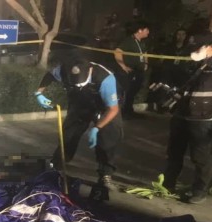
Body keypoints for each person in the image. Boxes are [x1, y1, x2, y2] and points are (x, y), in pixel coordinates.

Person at [163, 30, 212, 204]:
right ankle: (168, 184)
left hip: (203, 119)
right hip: (181, 115)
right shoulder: (191, 63)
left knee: (200, 157)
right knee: (174, 153)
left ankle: (199, 190)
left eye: (197, 48)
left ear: (209, 47)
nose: (193, 51)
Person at [34, 57, 123, 190]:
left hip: (104, 106)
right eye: (75, 84)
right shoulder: (63, 70)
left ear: (89, 71)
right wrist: (38, 93)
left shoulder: (105, 78)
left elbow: (113, 109)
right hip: (80, 103)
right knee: (68, 135)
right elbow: (49, 76)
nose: (78, 85)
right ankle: (56, 167)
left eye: (81, 84)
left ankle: (106, 174)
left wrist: (97, 128)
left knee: (109, 137)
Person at [115, 20, 150, 118]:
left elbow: (145, 53)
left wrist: (146, 63)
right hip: (130, 71)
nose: (148, 32)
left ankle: (129, 110)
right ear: (140, 30)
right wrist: (123, 66)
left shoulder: (142, 43)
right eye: (146, 30)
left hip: (139, 71)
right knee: (128, 91)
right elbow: (118, 52)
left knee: (134, 91)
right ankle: (124, 112)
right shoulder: (129, 41)